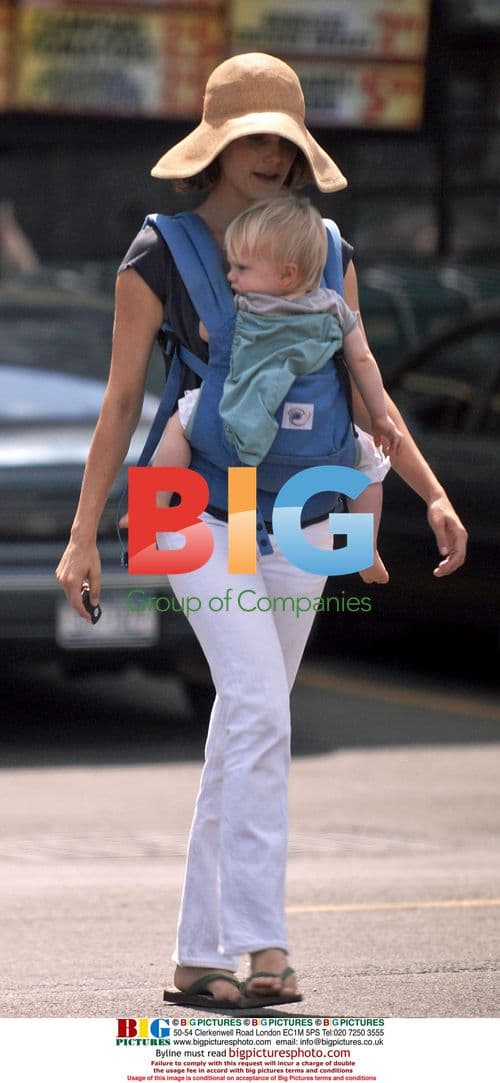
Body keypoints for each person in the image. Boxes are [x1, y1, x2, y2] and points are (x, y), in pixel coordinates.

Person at [56, 52, 467, 1011]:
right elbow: (121, 404)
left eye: (285, 137)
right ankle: (265, 945)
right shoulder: (156, 251)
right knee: (258, 708)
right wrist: (84, 536)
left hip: (305, 512)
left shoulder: (328, 249)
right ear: (218, 144)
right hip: (187, 510)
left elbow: (368, 399)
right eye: (253, 137)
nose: (272, 154)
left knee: (242, 727)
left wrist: (430, 493)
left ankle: (197, 958)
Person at [151, 193, 403, 583]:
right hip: (318, 445)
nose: (232, 276)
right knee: (369, 467)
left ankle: (153, 509)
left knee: (178, 424)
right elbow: (362, 362)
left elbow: (206, 335)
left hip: (240, 437)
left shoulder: (245, 309)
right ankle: (364, 549)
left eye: (241, 268)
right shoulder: (334, 309)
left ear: (286, 274)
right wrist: (382, 417)